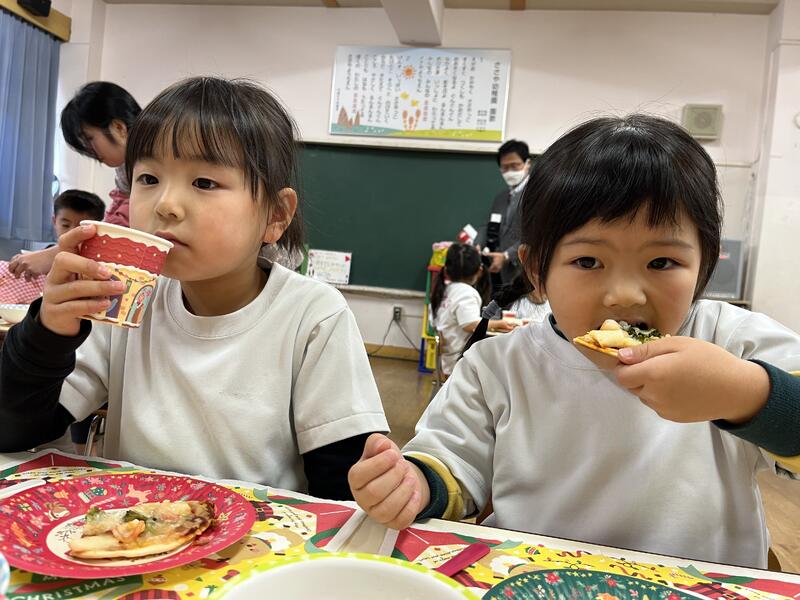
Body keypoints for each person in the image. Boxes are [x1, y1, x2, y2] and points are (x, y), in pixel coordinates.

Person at [348, 115, 800, 567]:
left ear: (704, 265)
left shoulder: (730, 340)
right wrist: (412, 483)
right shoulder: (498, 367)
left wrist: (745, 394)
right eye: (588, 261)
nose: (625, 294)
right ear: (536, 271)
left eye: (661, 262)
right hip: (532, 577)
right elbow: (451, 461)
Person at [0, 76, 388, 501]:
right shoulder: (124, 298)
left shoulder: (312, 315)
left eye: (204, 182)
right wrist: (49, 333)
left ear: (275, 215)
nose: (165, 205)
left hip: (261, 537)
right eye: (148, 178)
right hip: (128, 529)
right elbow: (15, 430)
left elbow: (342, 487)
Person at [8, 82, 140, 280]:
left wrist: (55, 254)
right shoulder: (127, 168)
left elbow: (123, 229)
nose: (89, 151)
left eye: (89, 139)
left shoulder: (150, 161)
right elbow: (117, 218)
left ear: (119, 128)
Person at [0, 190, 106, 305]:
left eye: (82, 228)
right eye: (65, 225)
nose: (72, 233)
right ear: (54, 221)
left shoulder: (102, 267)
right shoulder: (31, 265)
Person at [430, 243, 513, 376]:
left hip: (447, 359)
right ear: (479, 271)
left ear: (446, 271)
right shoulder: (467, 293)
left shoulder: (443, 291)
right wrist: (499, 323)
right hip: (460, 362)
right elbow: (470, 325)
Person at [474, 139, 531, 286]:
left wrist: (506, 256)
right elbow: (489, 225)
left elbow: (535, 235)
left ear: (527, 164)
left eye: (515, 166)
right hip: (495, 270)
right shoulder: (501, 198)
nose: (510, 171)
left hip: (523, 272)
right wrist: (477, 244)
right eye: (505, 167)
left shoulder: (536, 195)